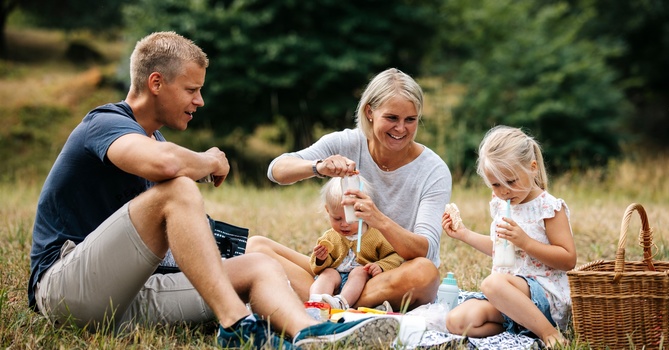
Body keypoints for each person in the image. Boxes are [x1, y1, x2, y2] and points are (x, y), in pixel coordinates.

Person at [27, 31, 399, 349]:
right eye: (192, 89)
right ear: (156, 83)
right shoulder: (105, 123)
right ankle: (237, 326)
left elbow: (181, 234)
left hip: (129, 298)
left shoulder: (154, 139)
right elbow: (166, 166)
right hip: (66, 291)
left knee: (259, 264)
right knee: (178, 189)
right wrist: (211, 160)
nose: (199, 101)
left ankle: (315, 334)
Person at [246, 68, 452, 311]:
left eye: (410, 120)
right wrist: (319, 167)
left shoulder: (433, 170)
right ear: (370, 112)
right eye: (392, 118)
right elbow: (277, 170)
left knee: (424, 272)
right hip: (338, 271)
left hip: (391, 275)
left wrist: (378, 219)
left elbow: (425, 250)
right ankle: (338, 304)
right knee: (256, 247)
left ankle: (327, 304)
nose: (401, 129)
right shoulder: (346, 142)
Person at [441, 125, 576, 347]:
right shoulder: (501, 204)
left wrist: (526, 242)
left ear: (532, 168)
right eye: (495, 184)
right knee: (456, 321)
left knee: (492, 284)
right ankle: (522, 325)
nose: (504, 191)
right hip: (506, 295)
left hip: (544, 294)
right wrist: (464, 234)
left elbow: (568, 259)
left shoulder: (548, 208)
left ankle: (549, 333)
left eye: (511, 182)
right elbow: (499, 247)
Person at [309, 176, 403, 311]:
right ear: (328, 210)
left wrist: (380, 266)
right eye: (337, 218)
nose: (344, 224)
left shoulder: (376, 235)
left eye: (351, 219)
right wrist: (320, 259)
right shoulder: (330, 237)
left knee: (359, 271)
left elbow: (395, 256)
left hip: (361, 286)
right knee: (328, 273)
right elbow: (316, 268)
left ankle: (341, 303)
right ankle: (315, 304)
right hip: (335, 282)